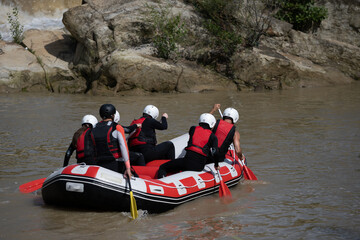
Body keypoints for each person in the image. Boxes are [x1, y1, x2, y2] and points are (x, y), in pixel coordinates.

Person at [157, 113, 218, 178]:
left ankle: (162, 180)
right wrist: (216, 165)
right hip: (199, 167)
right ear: (212, 124)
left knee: (162, 167)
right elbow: (215, 153)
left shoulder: (193, 129)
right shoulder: (213, 137)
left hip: (187, 163)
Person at [91, 104, 132, 178]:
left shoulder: (94, 128)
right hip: (115, 164)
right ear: (113, 115)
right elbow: (124, 147)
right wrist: (128, 168)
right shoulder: (117, 127)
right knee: (136, 176)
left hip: (99, 165)